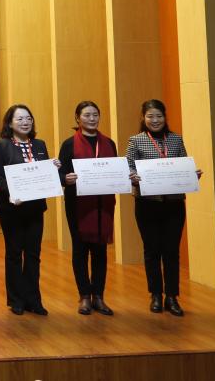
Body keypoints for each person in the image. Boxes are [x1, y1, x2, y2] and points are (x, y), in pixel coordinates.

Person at [126, 98, 203, 317]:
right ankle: (155, 295)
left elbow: (183, 164)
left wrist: (192, 175)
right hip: (147, 204)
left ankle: (172, 296)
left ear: (165, 117)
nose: (155, 120)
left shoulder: (176, 139)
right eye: (150, 116)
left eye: (159, 116)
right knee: (152, 250)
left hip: (174, 204)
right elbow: (128, 166)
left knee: (171, 251)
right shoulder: (136, 140)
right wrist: (132, 176)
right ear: (143, 118)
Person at [0, 103, 60, 316]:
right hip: (11, 208)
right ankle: (16, 300)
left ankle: (33, 300)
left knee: (33, 254)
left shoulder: (39, 144)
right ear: (10, 123)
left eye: (28, 118)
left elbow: (44, 174)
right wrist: (11, 192)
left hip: (35, 208)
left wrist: (54, 168)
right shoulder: (1, 145)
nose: (25, 122)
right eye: (19, 119)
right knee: (14, 253)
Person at [58, 101, 118, 316]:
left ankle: (98, 296)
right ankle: (84, 295)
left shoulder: (109, 143)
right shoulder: (69, 144)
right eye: (86, 115)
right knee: (80, 249)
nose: (92, 119)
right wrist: (66, 178)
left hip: (104, 204)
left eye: (95, 114)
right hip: (78, 205)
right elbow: (61, 174)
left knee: (100, 250)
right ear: (77, 118)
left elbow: (115, 171)